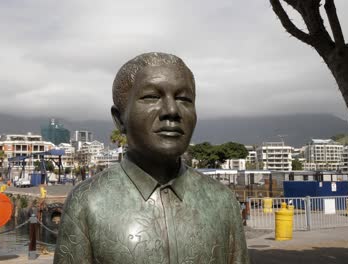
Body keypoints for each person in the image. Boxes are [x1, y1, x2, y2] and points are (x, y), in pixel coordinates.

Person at [54, 52, 249, 264]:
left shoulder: (222, 202)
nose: (172, 110)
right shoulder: (87, 203)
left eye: (184, 99)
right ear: (120, 118)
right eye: (151, 97)